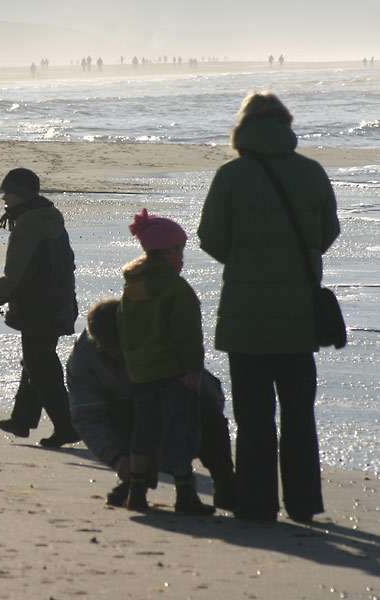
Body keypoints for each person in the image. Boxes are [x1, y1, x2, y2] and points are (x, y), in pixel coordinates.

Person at [197, 92, 340, 523]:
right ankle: (303, 503)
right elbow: (328, 231)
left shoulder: (232, 175)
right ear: (286, 126)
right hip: (299, 315)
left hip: (245, 316)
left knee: (253, 415)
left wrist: (245, 263)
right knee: (299, 414)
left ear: (243, 129)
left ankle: (257, 502)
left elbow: (211, 237)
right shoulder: (311, 172)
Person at [66, 298, 236, 509]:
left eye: (122, 344)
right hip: (130, 417)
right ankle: (135, 480)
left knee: (209, 417)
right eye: (109, 347)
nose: (117, 353)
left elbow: (209, 394)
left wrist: (167, 449)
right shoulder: (84, 359)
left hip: (181, 411)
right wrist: (116, 457)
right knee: (126, 419)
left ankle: (224, 481)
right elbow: (87, 416)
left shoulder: (161, 343)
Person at [117, 209, 214, 515]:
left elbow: (123, 332)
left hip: (141, 372)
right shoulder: (176, 288)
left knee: (142, 432)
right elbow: (187, 335)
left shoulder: (131, 288)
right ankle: (185, 494)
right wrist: (193, 368)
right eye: (181, 249)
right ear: (171, 251)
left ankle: (136, 491)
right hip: (173, 373)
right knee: (178, 432)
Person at [0, 168, 79, 448]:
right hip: (58, 303)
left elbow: (15, 275)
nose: (3, 198)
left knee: (40, 365)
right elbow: (68, 265)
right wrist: (70, 301)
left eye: (7, 192)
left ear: (21, 195)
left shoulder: (28, 226)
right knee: (36, 361)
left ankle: (68, 425)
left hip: (38, 308)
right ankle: (22, 420)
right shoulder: (51, 219)